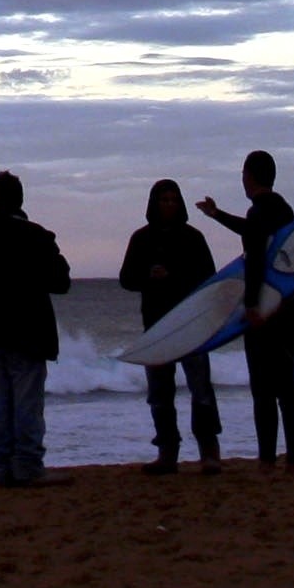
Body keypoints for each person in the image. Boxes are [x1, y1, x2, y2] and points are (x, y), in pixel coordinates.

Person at [0, 170, 71, 486]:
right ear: (20, 199)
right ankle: (28, 466)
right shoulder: (37, 236)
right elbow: (61, 282)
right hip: (29, 332)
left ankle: (4, 467)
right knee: (27, 402)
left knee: (1, 403)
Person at [197, 151, 294, 468]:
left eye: (243, 174)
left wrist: (252, 306)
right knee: (286, 384)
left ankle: (268, 460)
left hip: (266, 308)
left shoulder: (260, 212)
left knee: (263, 387)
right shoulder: (282, 209)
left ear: (249, 175)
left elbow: (256, 256)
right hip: (288, 305)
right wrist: (217, 214)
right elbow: (252, 232)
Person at [117, 179, 224, 475]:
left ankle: (209, 451)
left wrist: (175, 276)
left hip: (191, 323)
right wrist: (149, 275)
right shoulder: (141, 239)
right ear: (154, 203)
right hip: (156, 325)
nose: (168, 204)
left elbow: (209, 279)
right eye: (163, 199)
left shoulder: (193, 237)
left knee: (200, 388)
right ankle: (167, 452)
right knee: (160, 392)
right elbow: (126, 278)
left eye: (173, 199)